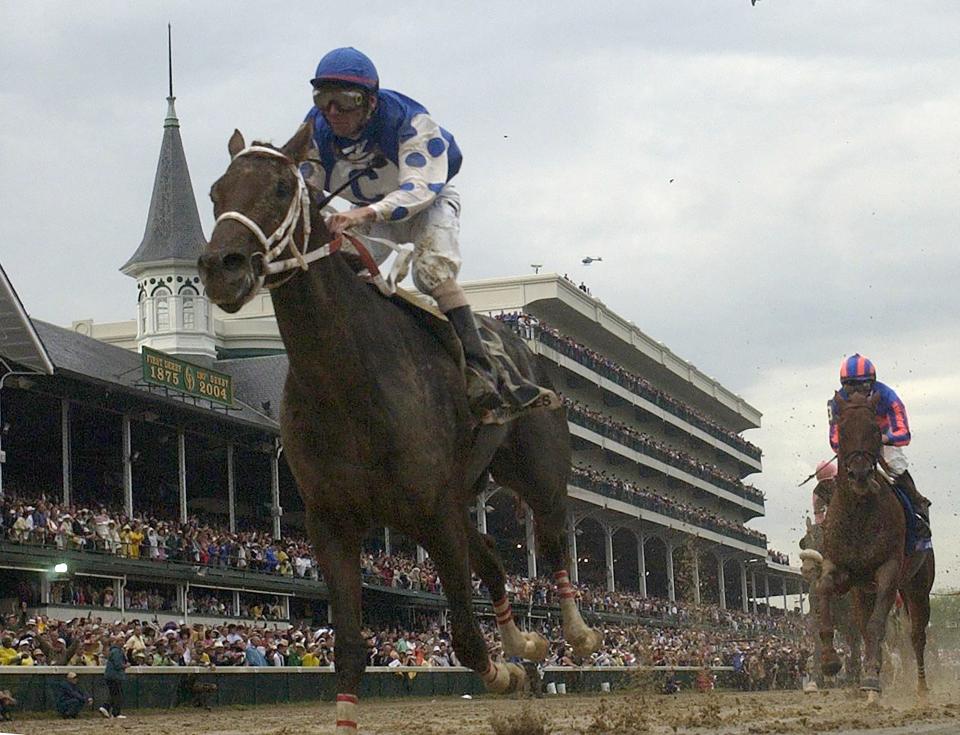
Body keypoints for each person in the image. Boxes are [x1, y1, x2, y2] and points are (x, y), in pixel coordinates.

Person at [302, 47, 501, 416]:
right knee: (341, 268)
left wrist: (361, 213)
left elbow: (419, 189)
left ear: (371, 102)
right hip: (371, 214)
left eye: (345, 101)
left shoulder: (410, 120)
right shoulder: (315, 130)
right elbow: (307, 192)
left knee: (431, 272)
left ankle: (480, 367)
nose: (333, 112)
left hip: (427, 202)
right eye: (323, 99)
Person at [828, 354, 931, 535]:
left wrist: (880, 439)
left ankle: (918, 510)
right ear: (843, 385)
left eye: (863, 385)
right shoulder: (837, 403)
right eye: (850, 386)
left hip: (883, 441)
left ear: (872, 383)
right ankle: (826, 525)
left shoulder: (888, 396)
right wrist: (852, 447)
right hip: (853, 447)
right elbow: (835, 440)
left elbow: (903, 433)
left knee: (895, 464)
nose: (857, 392)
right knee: (839, 475)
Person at [100, 635, 127, 719]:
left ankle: (106, 708)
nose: (123, 643)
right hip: (114, 676)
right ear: (117, 642)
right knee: (117, 694)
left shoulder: (116, 651)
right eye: (120, 641)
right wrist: (126, 665)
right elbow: (118, 665)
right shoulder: (116, 651)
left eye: (123, 641)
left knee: (114, 694)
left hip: (112, 676)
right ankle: (115, 712)